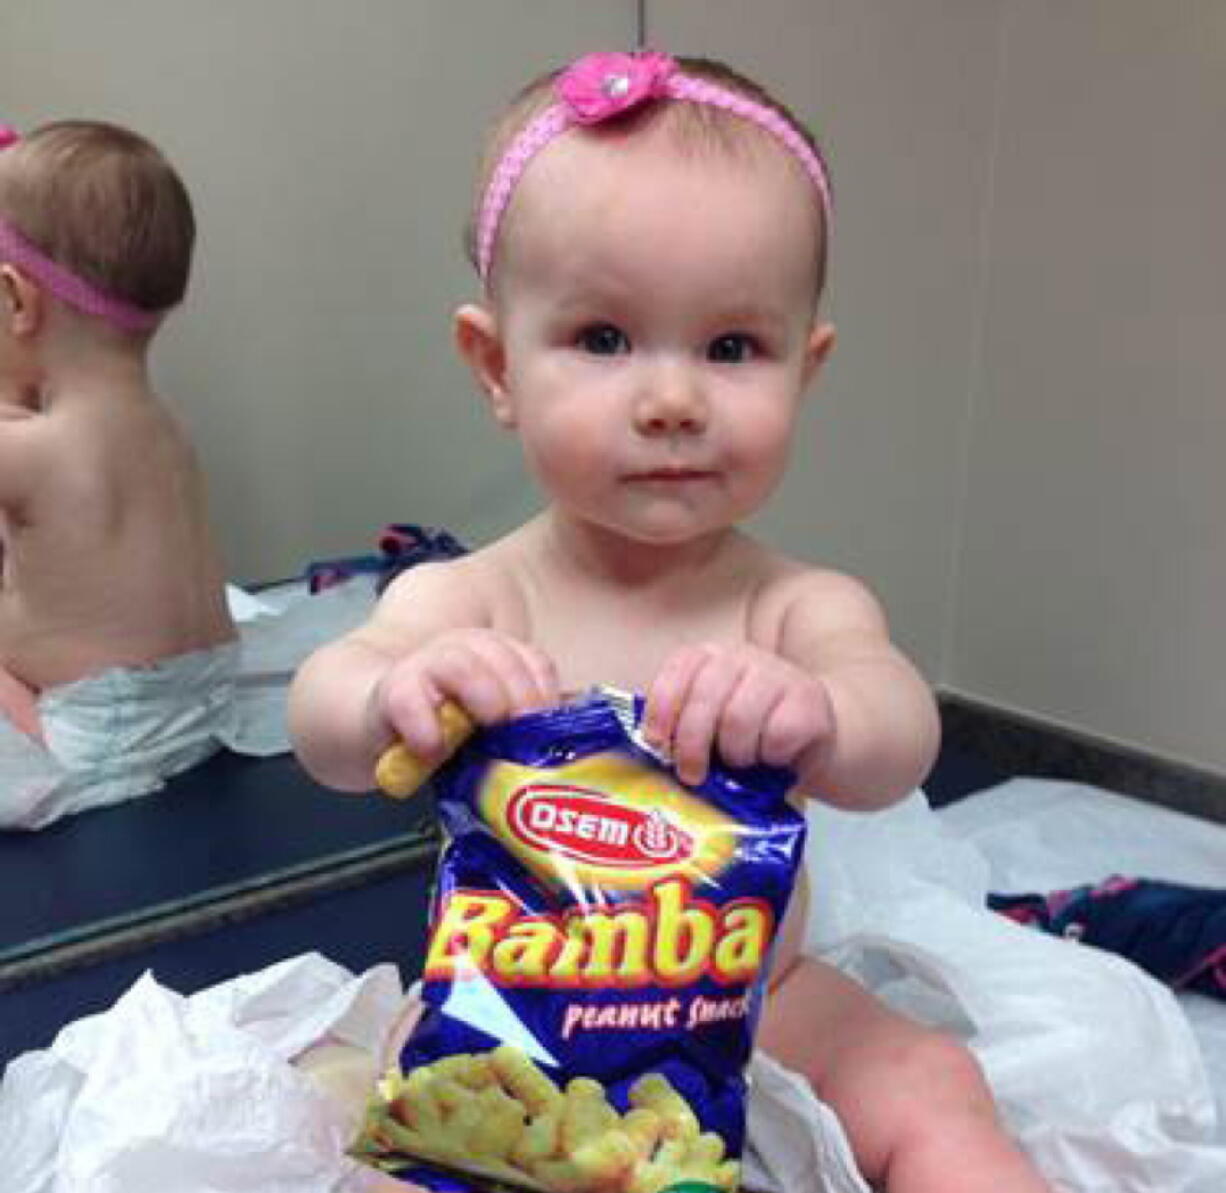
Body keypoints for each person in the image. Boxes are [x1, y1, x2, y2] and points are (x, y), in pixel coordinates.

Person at [289, 50, 1051, 1192]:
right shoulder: (472, 598)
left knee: (932, 1080)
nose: (672, 398)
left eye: (731, 347)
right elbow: (321, 722)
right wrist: (389, 692)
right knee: (418, 1127)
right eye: (602, 338)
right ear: (495, 366)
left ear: (805, 367)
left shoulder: (795, 604)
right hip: (523, 1014)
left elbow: (898, 739)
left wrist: (821, 717)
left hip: (762, 994)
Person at [0, 120, 235, 743]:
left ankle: (41, 760)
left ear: (16, 300)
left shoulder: (32, 451)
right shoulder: (163, 429)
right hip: (207, 702)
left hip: (100, 731)